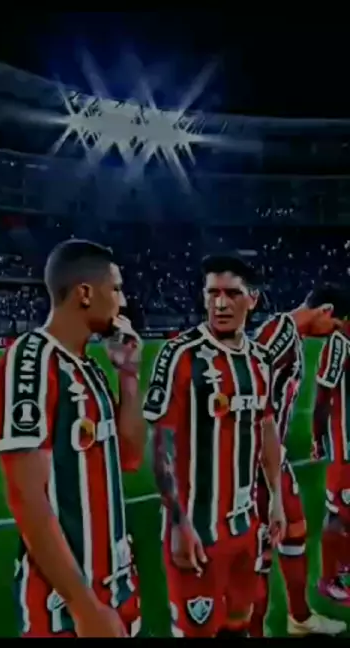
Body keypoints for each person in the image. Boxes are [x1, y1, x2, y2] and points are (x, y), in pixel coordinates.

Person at [0, 239, 146, 638]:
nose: (123, 301)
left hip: (118, 588)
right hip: (65, 610)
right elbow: (26, 496)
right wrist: (84, 607)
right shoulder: (32, 359)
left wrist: (129, 375)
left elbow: (130, 457)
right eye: (116, 289)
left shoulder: (90, 369)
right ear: (85, 293)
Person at [143, 254, 285, 638]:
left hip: (246, 527)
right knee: (199, 632)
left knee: (239, 623)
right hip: (197, 531)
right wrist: (178, 522)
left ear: (252, 299)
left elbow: (266, 429)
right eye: (212, 293)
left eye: (232, 294)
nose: (220, 303)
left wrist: (275, 497)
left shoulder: (261, 361)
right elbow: (161, 444)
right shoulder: (180, 355)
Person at [250, 285, 347, 637]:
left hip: (274, 458)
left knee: (295, 533)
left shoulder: (292, 336)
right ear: (325, 310)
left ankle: (300, 617)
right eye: (334, 324)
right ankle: (254, 629)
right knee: (259, 555)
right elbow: (250, 389)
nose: (332, 332)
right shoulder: (279, 334)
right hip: (254, 462)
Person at [313, 293, 350, 608]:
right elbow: (323, 393)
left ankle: (344, 562)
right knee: (339, 514)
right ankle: (327, 580)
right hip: (347, 448)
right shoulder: (340, 341)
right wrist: (317, 436)